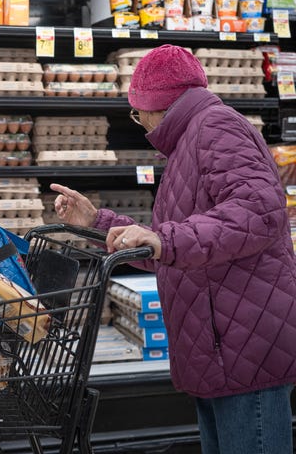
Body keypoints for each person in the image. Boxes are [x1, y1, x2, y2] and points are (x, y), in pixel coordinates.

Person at [50, 44, 296, 454]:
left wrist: (165, 240)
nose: (140, 123)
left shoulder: (217, 127)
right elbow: (175, 247)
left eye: (137, 111)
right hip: (217, 348)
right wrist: (99, 223)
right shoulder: (190, 141)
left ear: (156, 104)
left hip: (244, 347)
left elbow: (258, 211)